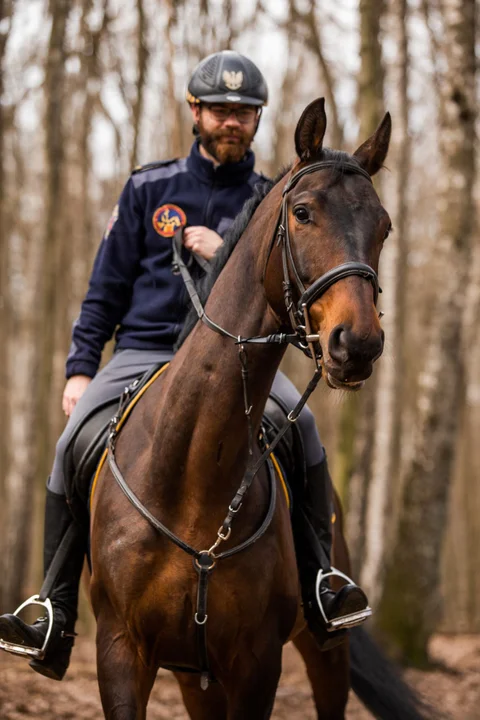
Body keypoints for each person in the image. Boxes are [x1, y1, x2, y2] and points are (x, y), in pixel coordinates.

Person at [0, 50, 370, 681]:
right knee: (72, 442)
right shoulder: (149, 187)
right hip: (144, 354)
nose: (232, 122)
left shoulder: (275, 198)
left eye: (244, 113)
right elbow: (105, 289)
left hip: (242, 364)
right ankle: (53, 609)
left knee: (304, 434)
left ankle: (320, 586)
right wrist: (80, 369)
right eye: (220, 110)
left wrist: (226, 248)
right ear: (195, 112)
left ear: (257, 122)